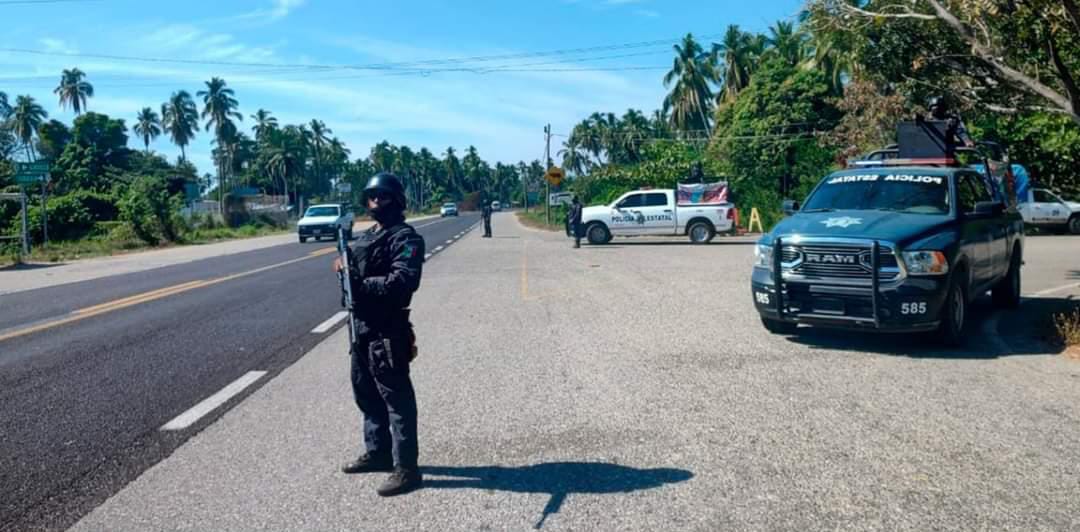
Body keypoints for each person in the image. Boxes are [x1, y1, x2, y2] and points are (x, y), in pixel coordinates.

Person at [333, 172, 425, 497]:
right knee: (366, 395)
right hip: (360, 327)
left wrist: (361, 284)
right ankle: (379, 452)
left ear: (396, 200)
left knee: (396, 401)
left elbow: (403, 283)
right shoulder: (368, 235)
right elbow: (355, 270)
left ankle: (407, 469)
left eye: (382, 197)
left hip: (387, 330)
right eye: (370, 197)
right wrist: (344, 269)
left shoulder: (405, 238)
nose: (374, 203)